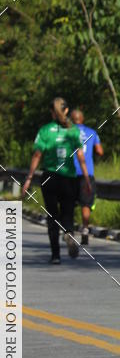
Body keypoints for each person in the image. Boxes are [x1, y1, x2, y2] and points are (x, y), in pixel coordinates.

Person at [22, 97, 90, 264]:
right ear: (66, 111)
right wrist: (87, 179)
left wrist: (29, 178)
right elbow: (80, 156)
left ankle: (55, 255)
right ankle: (68, 232)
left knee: (52, 215)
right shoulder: (73, 131)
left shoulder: (45, 130)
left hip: (50, 177)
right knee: (68, 213)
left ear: (52, 112)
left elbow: (37, 154)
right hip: (69, 178)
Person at [71, 108, 104, 245]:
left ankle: (69, 229)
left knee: (69, 202)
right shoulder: (92, 132)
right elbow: (100, 151)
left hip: (69, 173)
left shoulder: (68, 132)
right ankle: (85, 229)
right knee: (86, 203)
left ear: (72, 120)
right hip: (87, 173)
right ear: (82, 119)